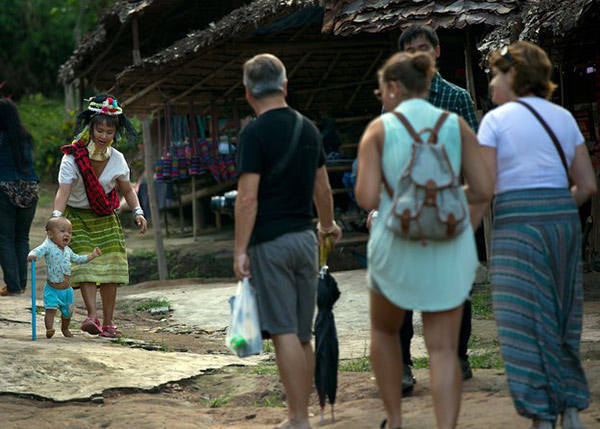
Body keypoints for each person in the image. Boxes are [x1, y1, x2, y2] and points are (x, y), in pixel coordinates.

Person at [355, 52, 493, 429]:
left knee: (384, 331)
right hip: (446, 248)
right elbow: (483, 188)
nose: (380, 97)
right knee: (444, 349)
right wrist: (459, 221)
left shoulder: (380, 130)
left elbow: (367, 198)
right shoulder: (455, 126)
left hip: (394, 247)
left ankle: (396, 422)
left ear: (395, 88)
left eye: (381, 90)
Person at [474, 41, 596, 429]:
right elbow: (588, 185)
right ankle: (572, 408)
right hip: (562, 218)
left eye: (496, 73)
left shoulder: (494, 121)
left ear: (513, 75)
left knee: (521, 318)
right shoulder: (561, 118)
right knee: (563, 312)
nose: (492, 81)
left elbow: (484, 187)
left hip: (517, 223)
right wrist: (555, 205)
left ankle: (542, 416)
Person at [234, 53, 342, 429]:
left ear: (248, 93)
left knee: (282, 333)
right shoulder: (309, 128)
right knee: (302, 333)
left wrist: (240, 250)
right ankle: (305, 414)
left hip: (271, 244)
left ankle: (298, 419)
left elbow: (247, 198)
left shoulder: (253, 133)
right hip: (305, 241)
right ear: (284, 86)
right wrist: (327, 225)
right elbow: (323, 189)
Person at [397, 24, 482, 387]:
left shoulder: (457, 97)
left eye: (423, 48)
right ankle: (403, 366)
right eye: (410, 50)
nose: (418, 55)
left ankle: (458, 357)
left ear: (436, 52)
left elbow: (473, 156)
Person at [53, 94, 147, 338]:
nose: (104, 136)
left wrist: (138, 211)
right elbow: (63, 192)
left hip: (106, 218)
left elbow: (127, 189)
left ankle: (108, 322)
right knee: (86, 265)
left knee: (112, 268)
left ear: (115, 133)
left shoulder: (118, 159)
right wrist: (56, 219)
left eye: (109, 131)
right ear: (90, 128)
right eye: (99, 130)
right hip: (78, 218)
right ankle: (91, 317)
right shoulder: (72, 157)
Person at [27, 217, 102, 338]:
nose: (67, 234)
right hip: (52, 290)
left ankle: (65, 328)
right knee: (50, 310)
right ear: (50, 234)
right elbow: (37, 250)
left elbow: (79, 259)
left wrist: (92, 255)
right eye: (62, 231)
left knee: (67, 314)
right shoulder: (48, 246)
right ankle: (50, 328)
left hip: (67, 291)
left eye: (69, 232)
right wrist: (32, 255)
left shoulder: (67, 250)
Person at [0, 98, 40, 296]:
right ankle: (22, 284)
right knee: (21, 237)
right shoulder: (25, 137)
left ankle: (13, 286)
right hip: (29, 187)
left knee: (5, 238)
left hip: (4, 187)